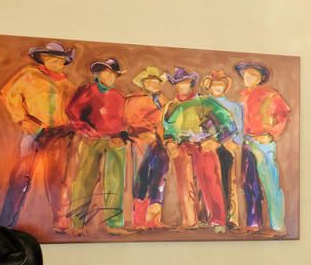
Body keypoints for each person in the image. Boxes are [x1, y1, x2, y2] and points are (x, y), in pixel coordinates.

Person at [0, 40, 77, 232]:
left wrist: (73, 128)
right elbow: (8, 96)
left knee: (59, 179)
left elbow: (76, 112)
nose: (54, 63)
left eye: (59, 60)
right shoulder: (28, 76)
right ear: (42, 59)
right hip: (35, 132)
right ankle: (6, 223)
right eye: (50, 58)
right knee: (20, 177)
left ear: (64, 62)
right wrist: (22, 119)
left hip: (59, 135)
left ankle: (61, 221)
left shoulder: (70, 86)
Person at [163, 67, 234, 232]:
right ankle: (190, 222)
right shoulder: (171, 106)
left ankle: (218, 222)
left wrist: (217, 141)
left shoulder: (204, 102)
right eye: (179, 83)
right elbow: (167, 129)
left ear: (190, 83)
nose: (182, 86)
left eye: (185, 82)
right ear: (175, 85)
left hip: (203, 146)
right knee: (184, 185)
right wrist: (169, 143)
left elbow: (228, 124)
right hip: (180, 148)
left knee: (210, 182)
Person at [66, 57, 129, 234]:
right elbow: (73, 114)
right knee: (85, 179)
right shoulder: (87, 91)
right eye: (105, 73)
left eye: (112, 74)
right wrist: (89, 132)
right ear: (98, 74)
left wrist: (123, 137)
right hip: (91, 140)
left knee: (115, 182)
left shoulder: (119, 97)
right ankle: (77, 224)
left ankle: (114, 224)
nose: (108, 77)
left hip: (115, 142)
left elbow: (126, 121)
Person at [236, 61, 290, 234]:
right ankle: (253, 223)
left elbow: (283, 115)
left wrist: (272, 133)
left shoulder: (270, 94)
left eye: (252, 75)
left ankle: (278, 225)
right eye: (245, 74)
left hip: (263, 142)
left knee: (270, 183)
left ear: (260, 78)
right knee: (249, 183)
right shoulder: (243, 97)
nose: (248, 77)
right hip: (246, 142)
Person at [123, 66, 170, 230]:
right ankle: (139, 220)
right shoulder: (134, 99)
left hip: (159, 143)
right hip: (141, 141)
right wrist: (145, 133)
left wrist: (164, 139)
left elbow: (166, 123)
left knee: (159, 178)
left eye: (156, 81)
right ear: (144, 83)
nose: (153, 84)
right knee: (142, 177)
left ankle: (153, 219)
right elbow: (130, 121)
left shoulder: (163, 101)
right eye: (150, 81)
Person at [201, 69, 245, 229]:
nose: (218, 88)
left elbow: (239, 130)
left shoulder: (235, 107)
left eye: (221, 85)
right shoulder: (203, 104)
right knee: (206, 179)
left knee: (228, 180)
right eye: (215, 85)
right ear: (209, 87)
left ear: (225, 87)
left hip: (227, 146)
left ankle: (230, 216)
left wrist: (230, 142)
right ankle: (206, 215)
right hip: (207, 146)